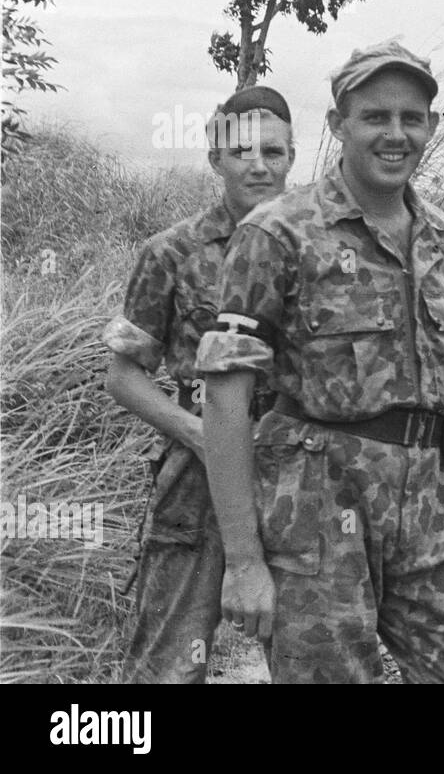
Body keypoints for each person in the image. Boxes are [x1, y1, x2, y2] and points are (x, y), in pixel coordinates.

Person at [196, 41, 444, 683]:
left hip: (429, 509)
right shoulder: (277, 233)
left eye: (411, 119)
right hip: (317, 514)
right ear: (339, 125)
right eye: (375, 117)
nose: (396, 134)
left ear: (430, 128)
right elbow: (224, 395)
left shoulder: (439, 236)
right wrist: (244, 560)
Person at [103, 85, 293, 683]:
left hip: (295, 472)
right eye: (241, 152)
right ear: (215, 157)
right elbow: (124, 374)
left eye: (273, 151)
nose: (258, 165)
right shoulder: (171, 252)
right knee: (169, 660)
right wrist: (198, 434)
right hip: (196, 478)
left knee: (310, 656)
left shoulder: (319, 251)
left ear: (293, 155)